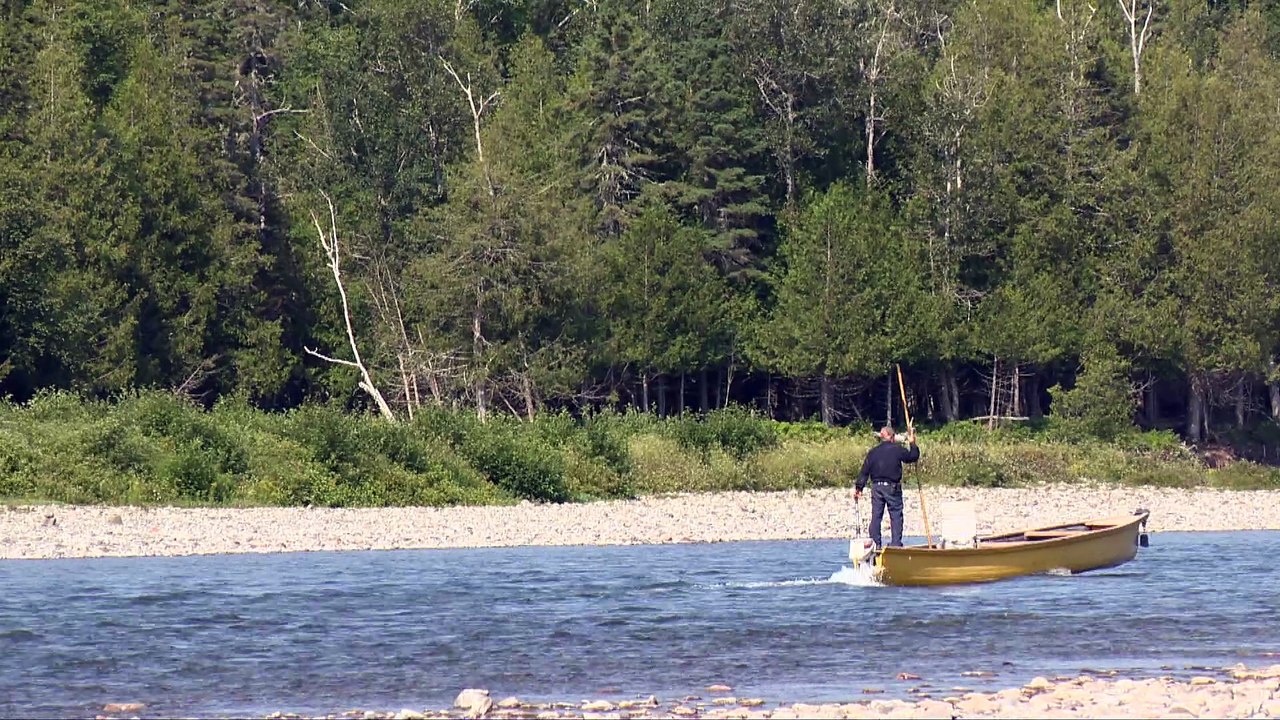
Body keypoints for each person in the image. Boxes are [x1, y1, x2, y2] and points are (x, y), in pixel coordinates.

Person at [854, 425, 920, 548]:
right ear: (892, 437)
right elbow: (912, 457)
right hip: (892, 487)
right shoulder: (897, 449)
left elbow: (864, 471)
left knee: (876, 516)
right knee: (895, 515)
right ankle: (895, 544)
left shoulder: (873, 452)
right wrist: (912, 443)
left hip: (876, 488)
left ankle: (875, 544)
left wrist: (859, 488)